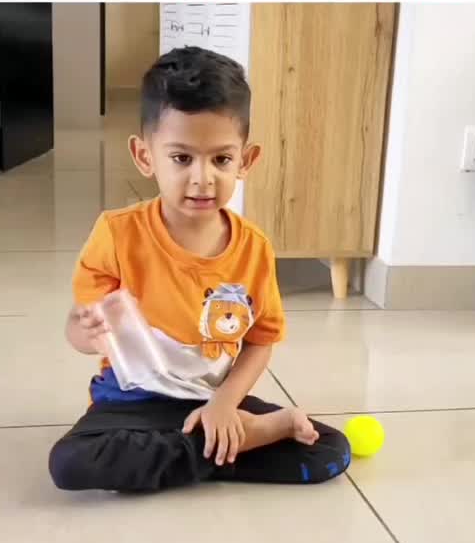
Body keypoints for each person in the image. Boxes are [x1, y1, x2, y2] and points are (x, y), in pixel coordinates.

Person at [49, 47, 350, 494]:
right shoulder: (116, 234)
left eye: (222, 160)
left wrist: (226, 407)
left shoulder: (254, 249)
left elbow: (260, 342)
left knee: (329, 449)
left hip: (213, 398)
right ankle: (226, 448)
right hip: (132, 401)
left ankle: (208, 444)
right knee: (69, 463)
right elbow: (83, 332)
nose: (203, 178)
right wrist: (81, 327)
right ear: (144, 155)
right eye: (182, 158)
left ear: (246, 161)